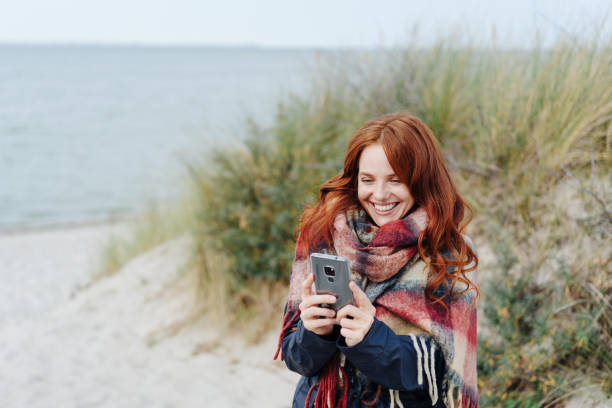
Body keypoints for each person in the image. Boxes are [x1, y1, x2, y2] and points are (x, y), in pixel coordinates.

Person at [274, 113, 479, 408]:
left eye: (396, 180)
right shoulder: (324, 234)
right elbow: (298, 360)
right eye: (367, 180)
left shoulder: (447, 254)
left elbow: (440, 373)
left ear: (421, 181)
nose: (380, 195)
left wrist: (370, 338)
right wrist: (314, 332)